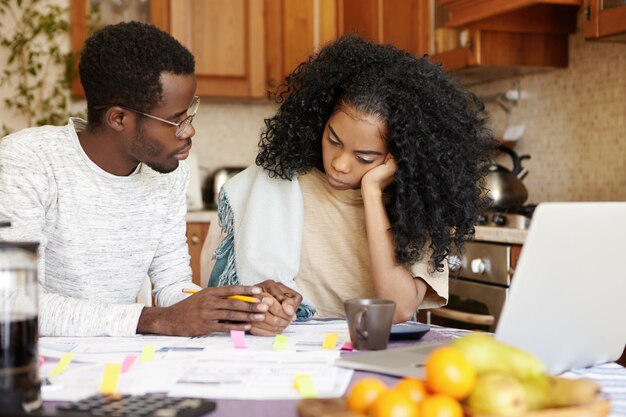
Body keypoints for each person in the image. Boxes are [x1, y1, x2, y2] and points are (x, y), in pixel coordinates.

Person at [0, 21, 301, 337]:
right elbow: (13, 303)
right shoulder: (27, 162)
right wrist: (153, 320)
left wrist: (240, 306)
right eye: (175, 121)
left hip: (113, 362)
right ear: (119, 118)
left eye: (189, 115)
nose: (189, 131)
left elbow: (173, 285)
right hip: (34, 366)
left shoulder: (168, 174)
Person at [208, 35, 494, 323]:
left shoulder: (418, 207)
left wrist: (372, 194)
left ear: (399, 156)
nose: (339, 164)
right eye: (333, 139)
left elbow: (399, 309)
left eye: (365, 157)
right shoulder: (277, 185)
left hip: (375, 355)